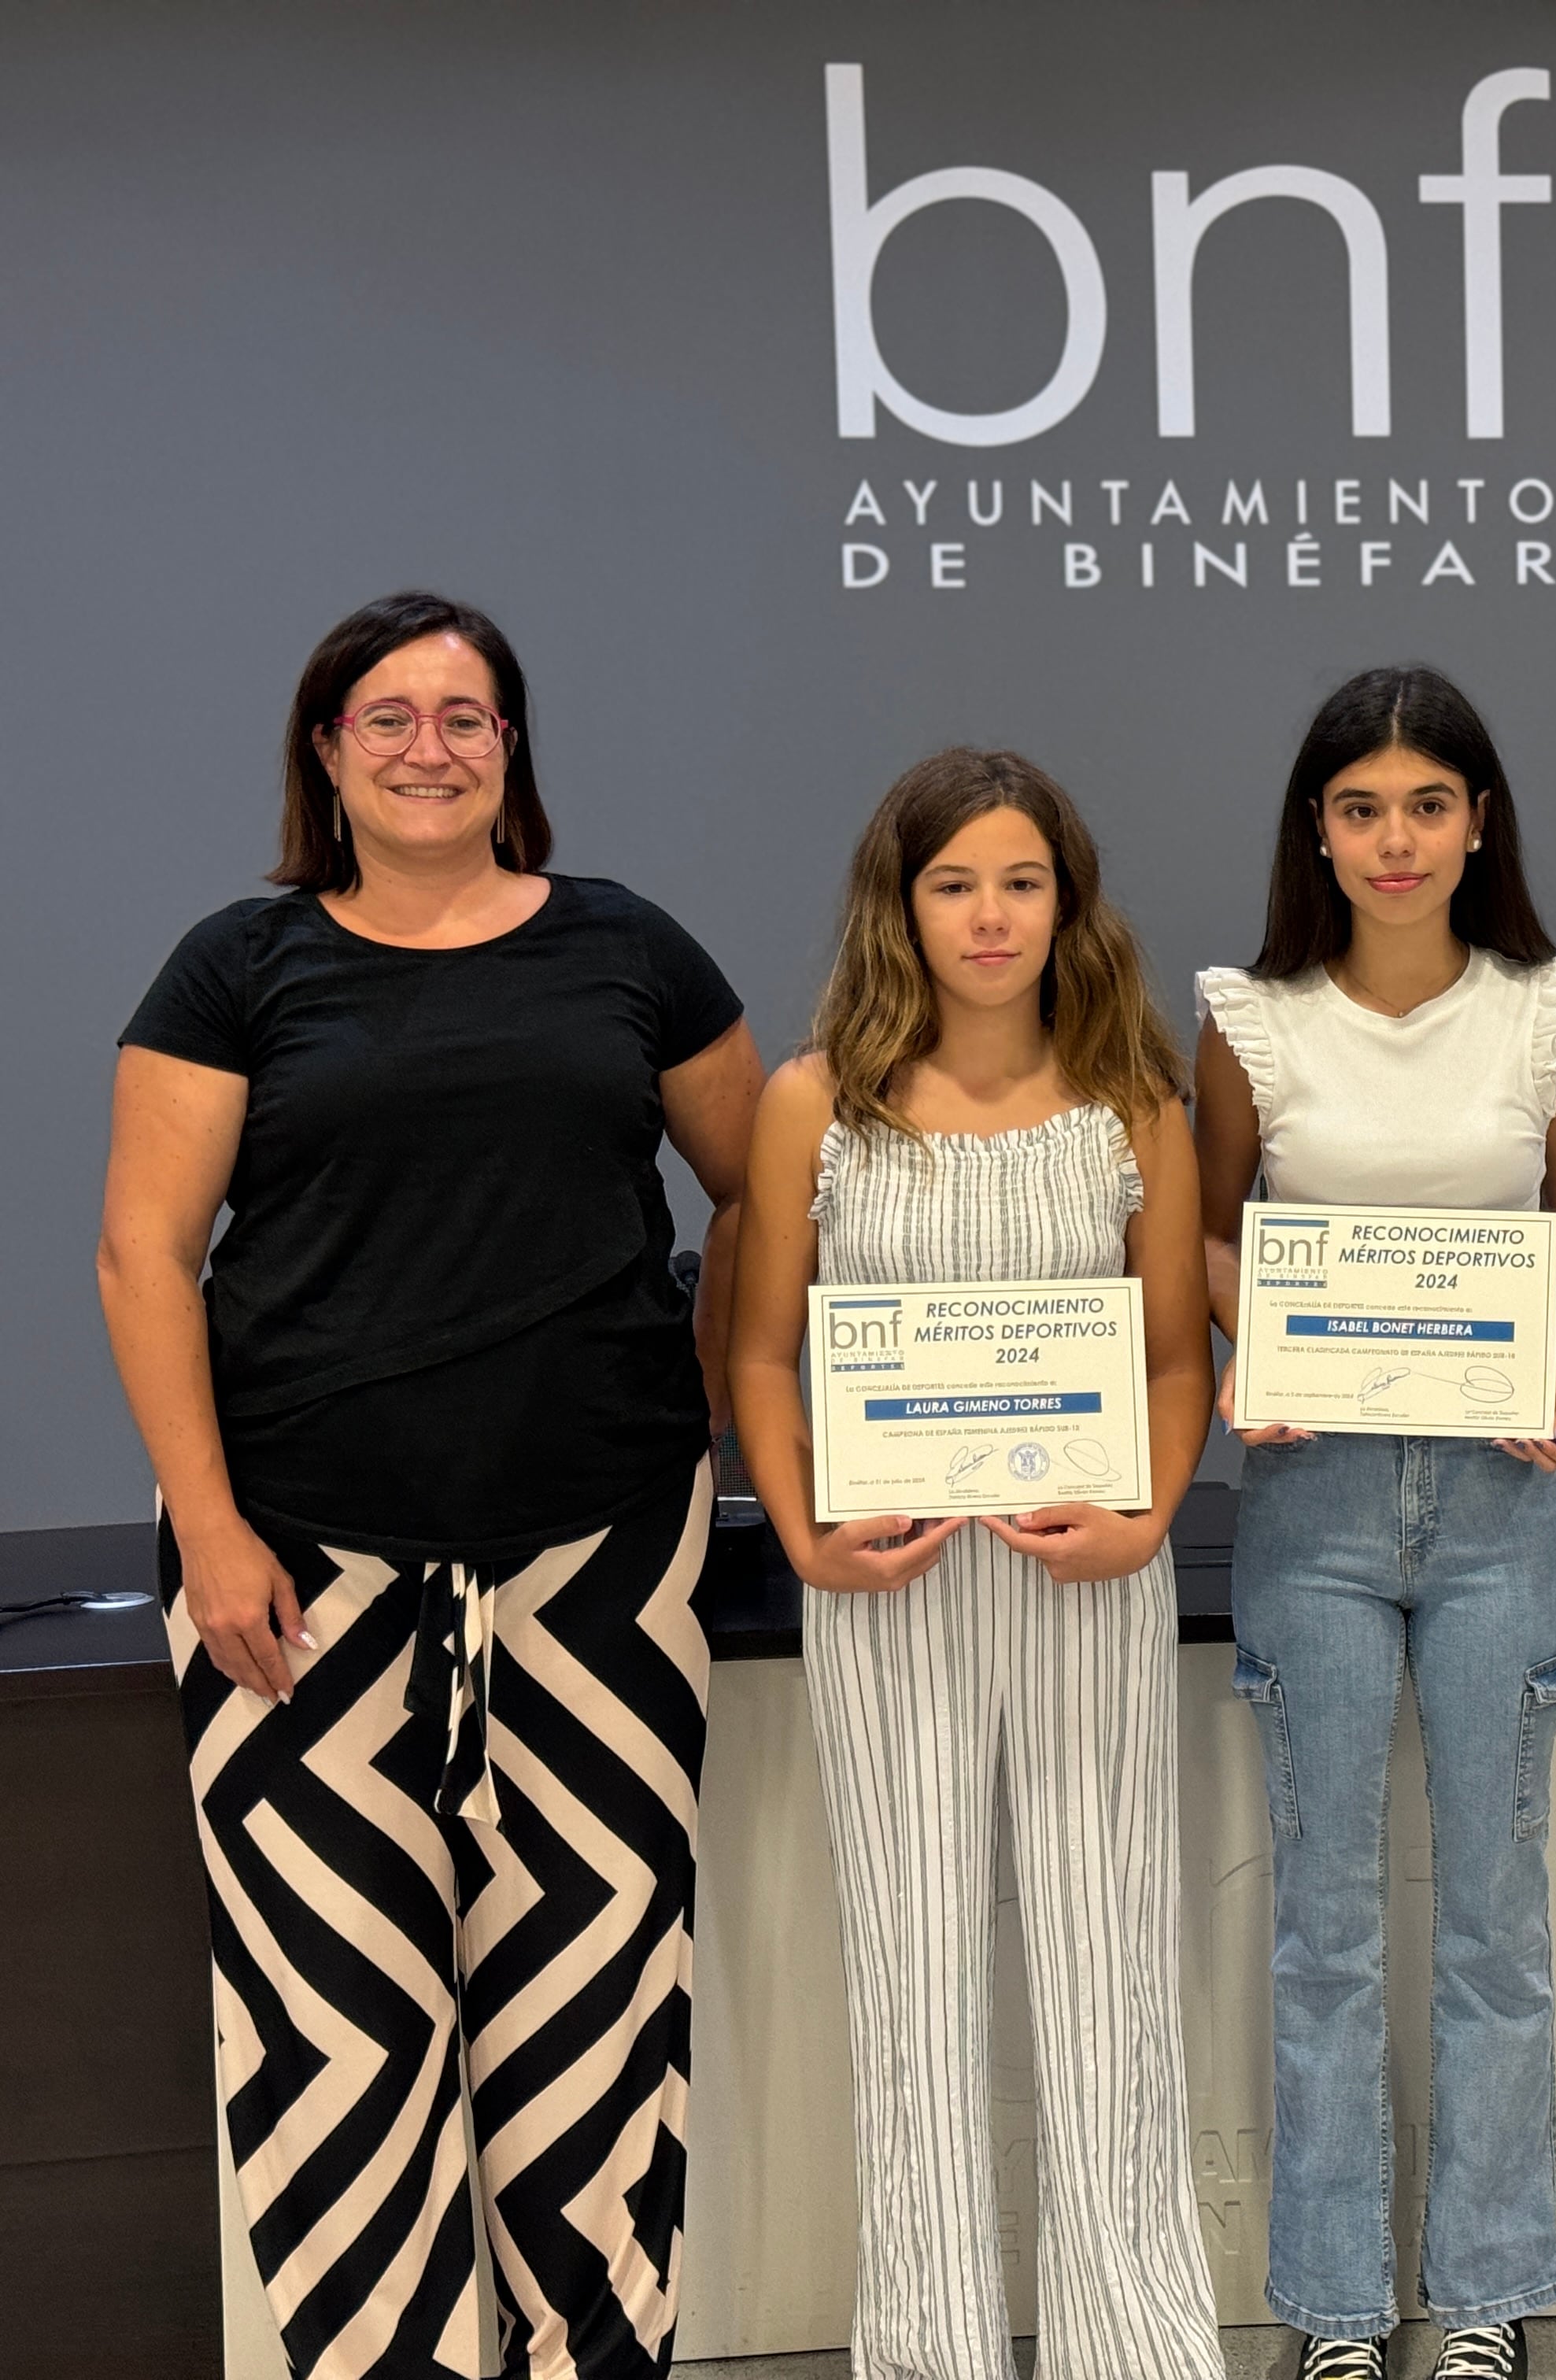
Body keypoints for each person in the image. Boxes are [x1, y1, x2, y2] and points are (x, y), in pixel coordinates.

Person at [97, 590, 762, 2379]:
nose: (428, 747)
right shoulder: (241, 967)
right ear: (327, 752)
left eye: (465, 717)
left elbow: (763, 1185)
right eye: (386, 717)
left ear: (511, 749)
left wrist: (704, 1408)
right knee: (334, 2043)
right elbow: (142, 1257)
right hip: (294, 1582)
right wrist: (215, 1536)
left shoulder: (629, 950)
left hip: (602, 1578)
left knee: (598, 2025)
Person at [726, 749, 1223, 2380]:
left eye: (1021, 881)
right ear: (902, 903)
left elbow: (1168, 1357)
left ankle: (1132, 2348)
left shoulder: (1136, 1101)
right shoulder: (817, 1104)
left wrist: (1149, 1516)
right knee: (911, 1978)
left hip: (1090, 1578)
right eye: (955, 884)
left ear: (1069, 899)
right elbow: (760, 1357)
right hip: (891, 1587)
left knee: (1108, 1975)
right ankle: (929, 2350)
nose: (990, 916)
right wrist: (804, 1535)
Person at [1192, 666, 1556, 2380]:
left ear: (1478, 821)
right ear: (1318, 830)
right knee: (1328, 1925)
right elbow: (1217, 1239)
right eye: (1360, 809)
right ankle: (1344, 2313)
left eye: (1426, 805)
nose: (1395, 840)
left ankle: (1489, 2297)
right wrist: (1243, 1347)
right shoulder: (1247, 1019)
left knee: (1499, 1919)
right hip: (1317, 1501)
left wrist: (1555, 1348)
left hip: (1505, 1498)